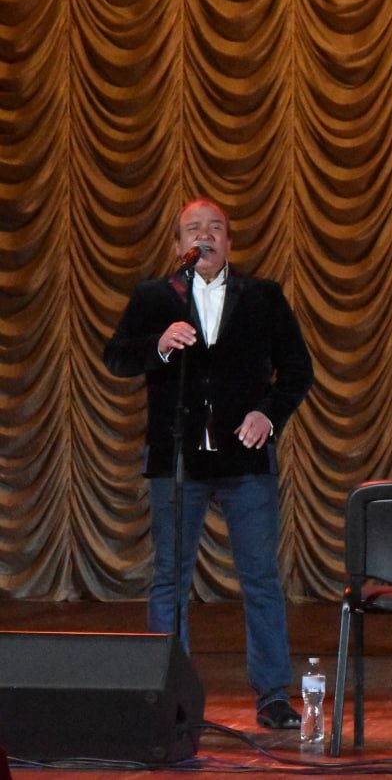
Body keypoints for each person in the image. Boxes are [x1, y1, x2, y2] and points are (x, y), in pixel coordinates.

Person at [104, 197, 314, 730]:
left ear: (229, 241)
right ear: (180, 245)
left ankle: (272, 695)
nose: (206, 236)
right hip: (176, 458)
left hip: (244, 458)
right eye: (194, 229)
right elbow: (117, 356)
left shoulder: (262, 296)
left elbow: (297, 368)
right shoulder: (155, 296)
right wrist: (159, 345)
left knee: (260, 577)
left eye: (215, 228)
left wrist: (268, 414)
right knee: (169, 578)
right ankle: (166, 697)